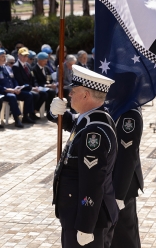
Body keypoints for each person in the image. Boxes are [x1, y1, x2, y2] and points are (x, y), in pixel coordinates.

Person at [48, 65, 118, 248]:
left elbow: (92, 181)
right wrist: (56, 114)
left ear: (86, 95)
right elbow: (74, 125)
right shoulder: (93, 118)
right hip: (79, 213)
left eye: (74, 91)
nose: (70, 94)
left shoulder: (94, 133)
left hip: (85, 217)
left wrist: (86, 226)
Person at [111, 108, 144, 248]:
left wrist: (119, 195)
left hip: (121, 185)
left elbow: (127, 157)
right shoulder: (115, 105)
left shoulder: (129, 113)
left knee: (124, 237)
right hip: (111, 184)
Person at [0, 49, 35, 128]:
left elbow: (14, 80)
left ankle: (26, 115)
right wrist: (8, 90)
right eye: (2, 57)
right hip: (3, 92)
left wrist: (17, 88)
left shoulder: (7, 68)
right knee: (12, 97)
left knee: (29, 95)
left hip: (13, 90)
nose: (4, 58)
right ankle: (17, 118)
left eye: (4, 56)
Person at [12, 47, 47, 120]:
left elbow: (33, 78)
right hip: (22, 89)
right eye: (23, 55)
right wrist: (31, 88)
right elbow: (20, 81)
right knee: (31, 95)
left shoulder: (28, 65)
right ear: (19, 55)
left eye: (26, 56)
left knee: (43, 94)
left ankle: (33, 112)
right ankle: (26, 115)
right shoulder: (16, 66)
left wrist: (36, 86)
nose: (25, 57)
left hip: (30, 87)